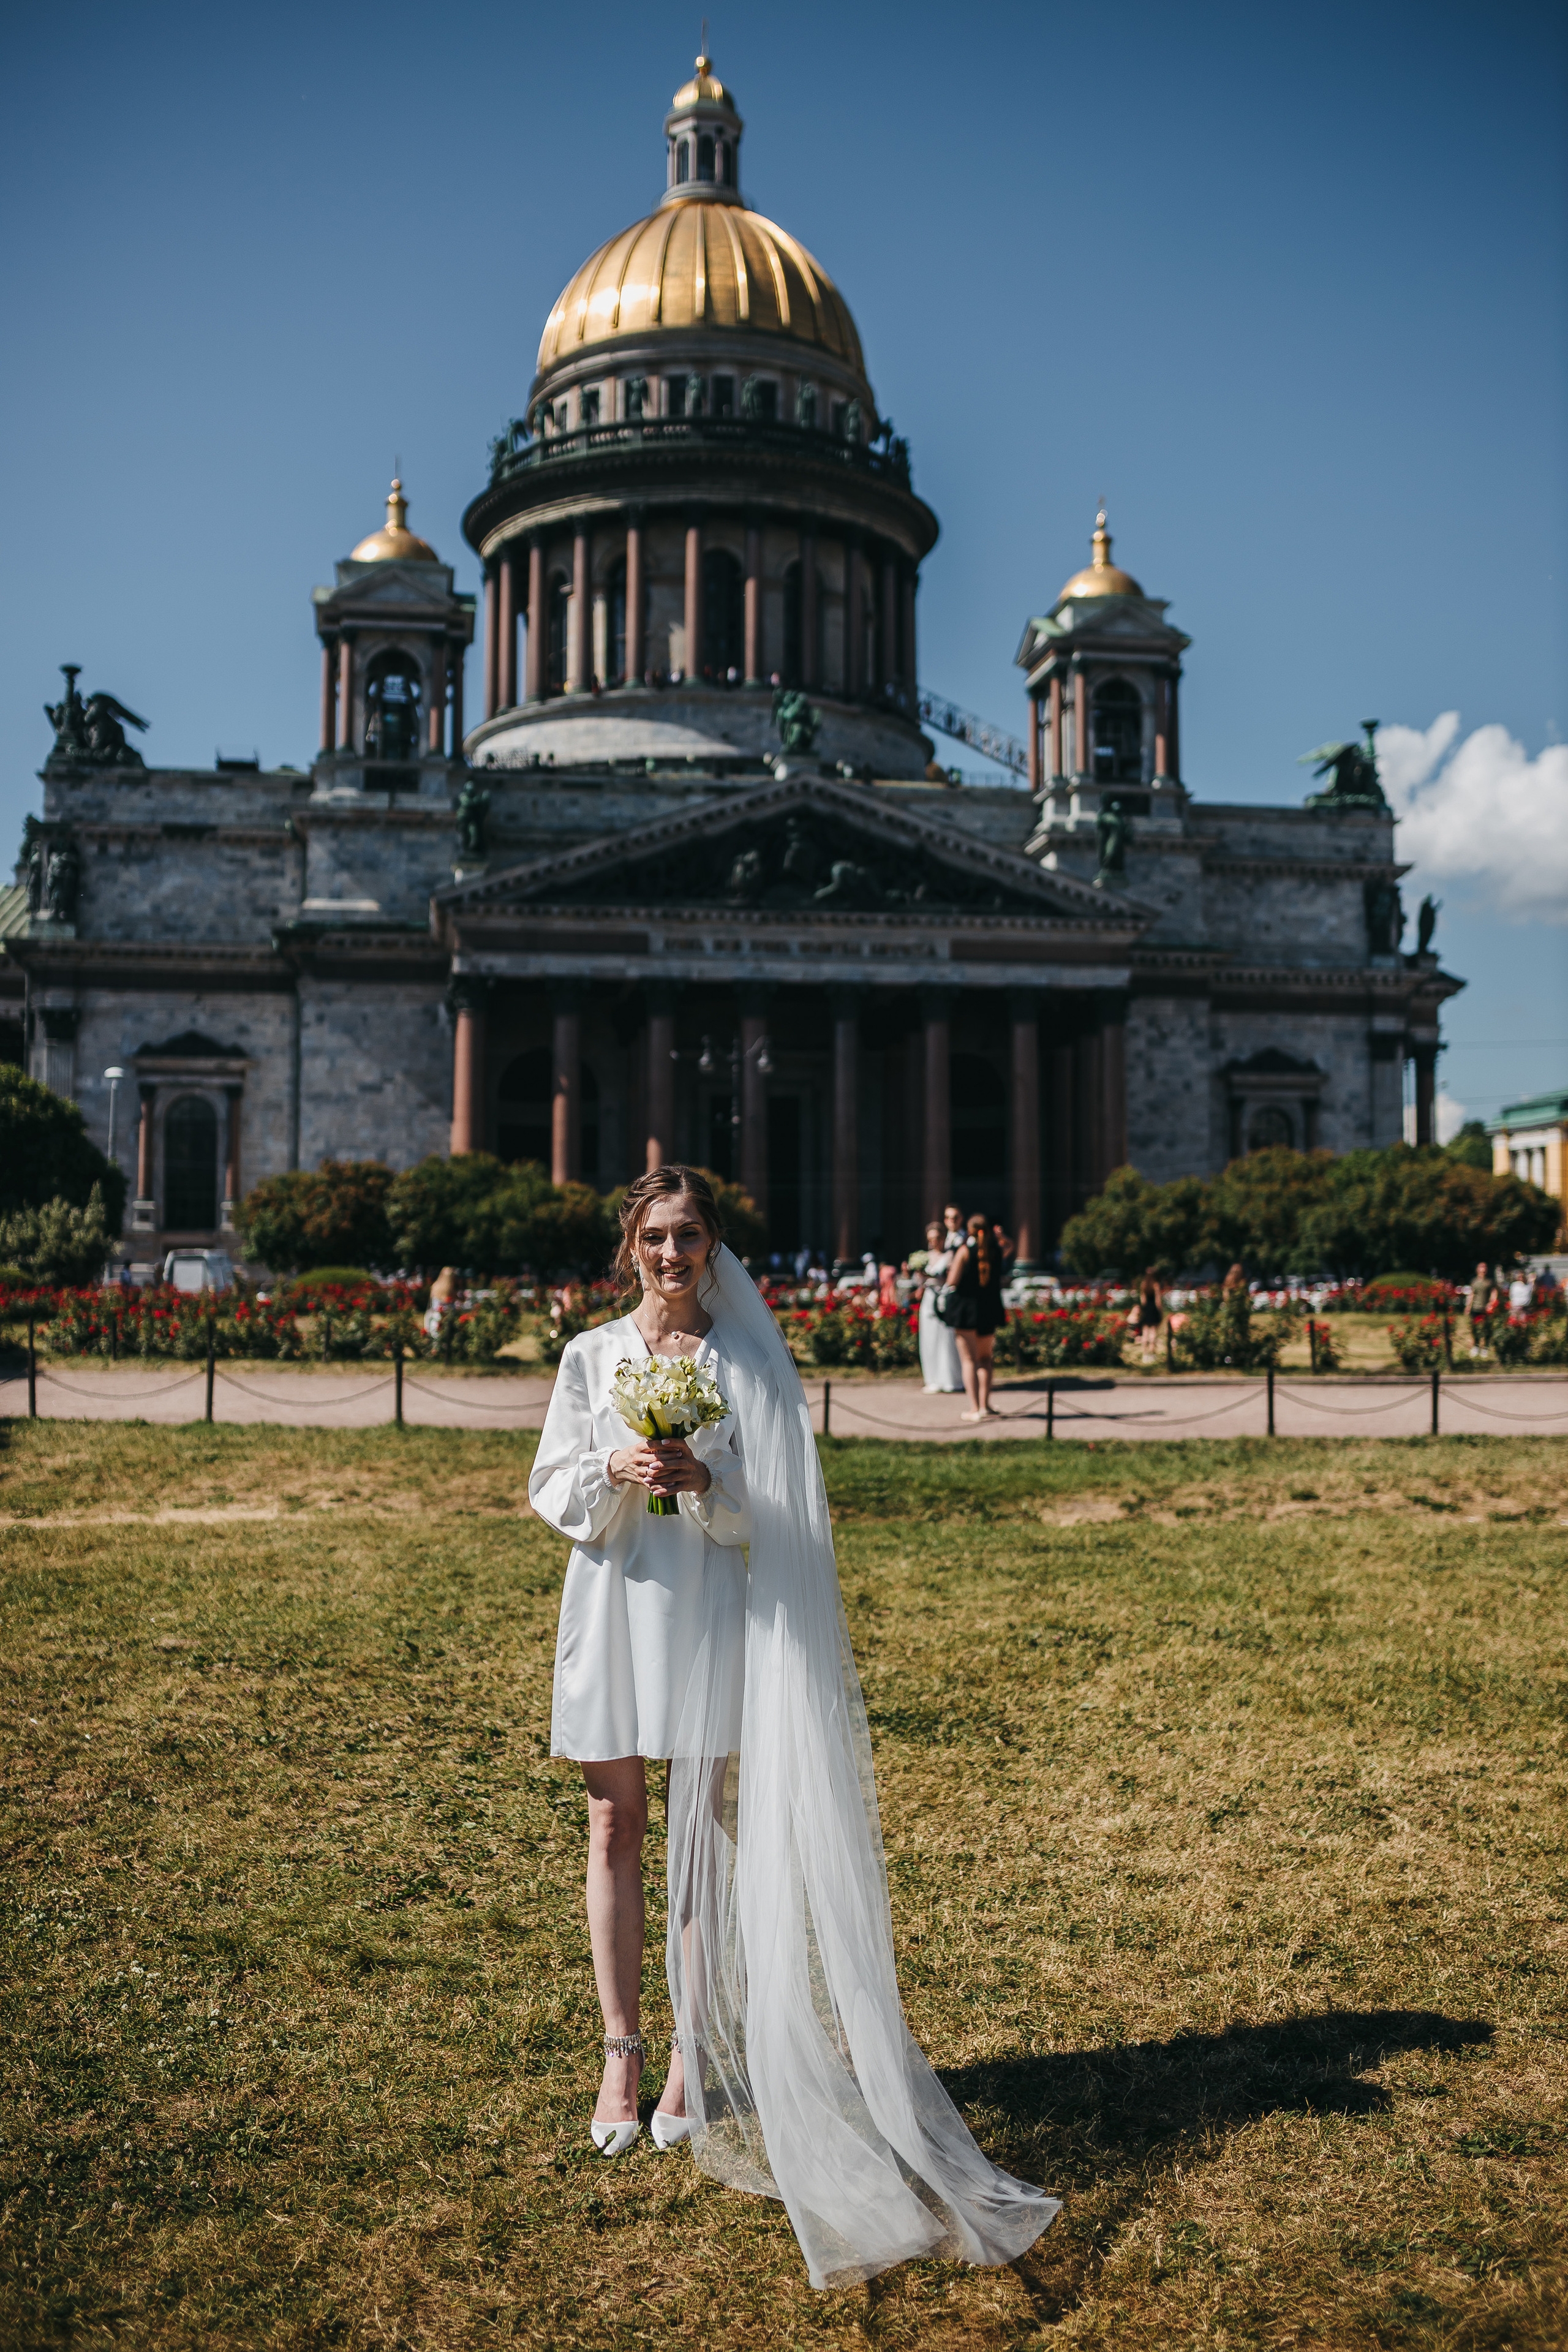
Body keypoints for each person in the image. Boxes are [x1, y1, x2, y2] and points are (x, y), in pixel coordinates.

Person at [529, 1165, 1059, 2288]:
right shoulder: (591, 1357)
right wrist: (614, 1465)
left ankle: (688, 2061)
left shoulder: (747, 1362)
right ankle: (619, 2054)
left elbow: (776, 1516)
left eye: (691, 1237)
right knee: (616, 1826)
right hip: (619, 1609)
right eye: (656, 1238)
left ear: (715, 1249)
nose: (674, 1256)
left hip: (715, 1617)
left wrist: (704, 1478)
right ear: (632, 1248)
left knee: (705, 1842)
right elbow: (550, 1488)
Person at [943, 1213, 1011, 1421]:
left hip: (966, 1311)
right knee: (985, 1360)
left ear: (970, 1230)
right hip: (989, 1310)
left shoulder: (964, 1251)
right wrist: (1001, 1236)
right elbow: (1010, 1246)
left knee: (969, 1361)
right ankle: (986, 1406)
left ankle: (974, 1409)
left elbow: (952, 1281)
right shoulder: (995, 1251)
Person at [916, 1218, 963, 1393]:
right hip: (929, 1300)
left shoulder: (950, 1256)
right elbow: (919, 1283)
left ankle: (950, 1379)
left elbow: (951, 1279)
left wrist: (933, 1279)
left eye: (937, 1238)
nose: (933, 1242)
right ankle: (932, 1378)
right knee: (929, 1338)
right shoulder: (924, 1257)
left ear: (943, 1238)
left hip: (943, 1298)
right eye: (930, 1239)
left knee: (946, 1339)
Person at [1467, 1260, 1498, 1355]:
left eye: (1485, 1267)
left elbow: (1494, 1293)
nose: (1483, 1269)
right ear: (1478, 1269)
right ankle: (1476, 1346)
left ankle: (1486, 1347)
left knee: (1486, 1328)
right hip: (1475, 1308)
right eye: (1481, 1267)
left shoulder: (1490, 1282)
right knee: (1474, 1328)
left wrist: (1491, 1303)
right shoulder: (1474, 1281)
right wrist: (1468, 1306)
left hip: (1486, 1309)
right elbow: (1471, 1294)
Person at [1136, 1268, 1163, 1360]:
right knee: (1153, 1332)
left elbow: (1143, 1300)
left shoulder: (1143, 1284)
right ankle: (1152, 1354)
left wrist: (1143, 1310)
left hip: (1146, 1310)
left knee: (1145, 1332)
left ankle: (1144, 1354)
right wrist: (1160, 1312)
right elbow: (1158, 1301)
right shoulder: (1156, 1285)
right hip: (1154, 1310)